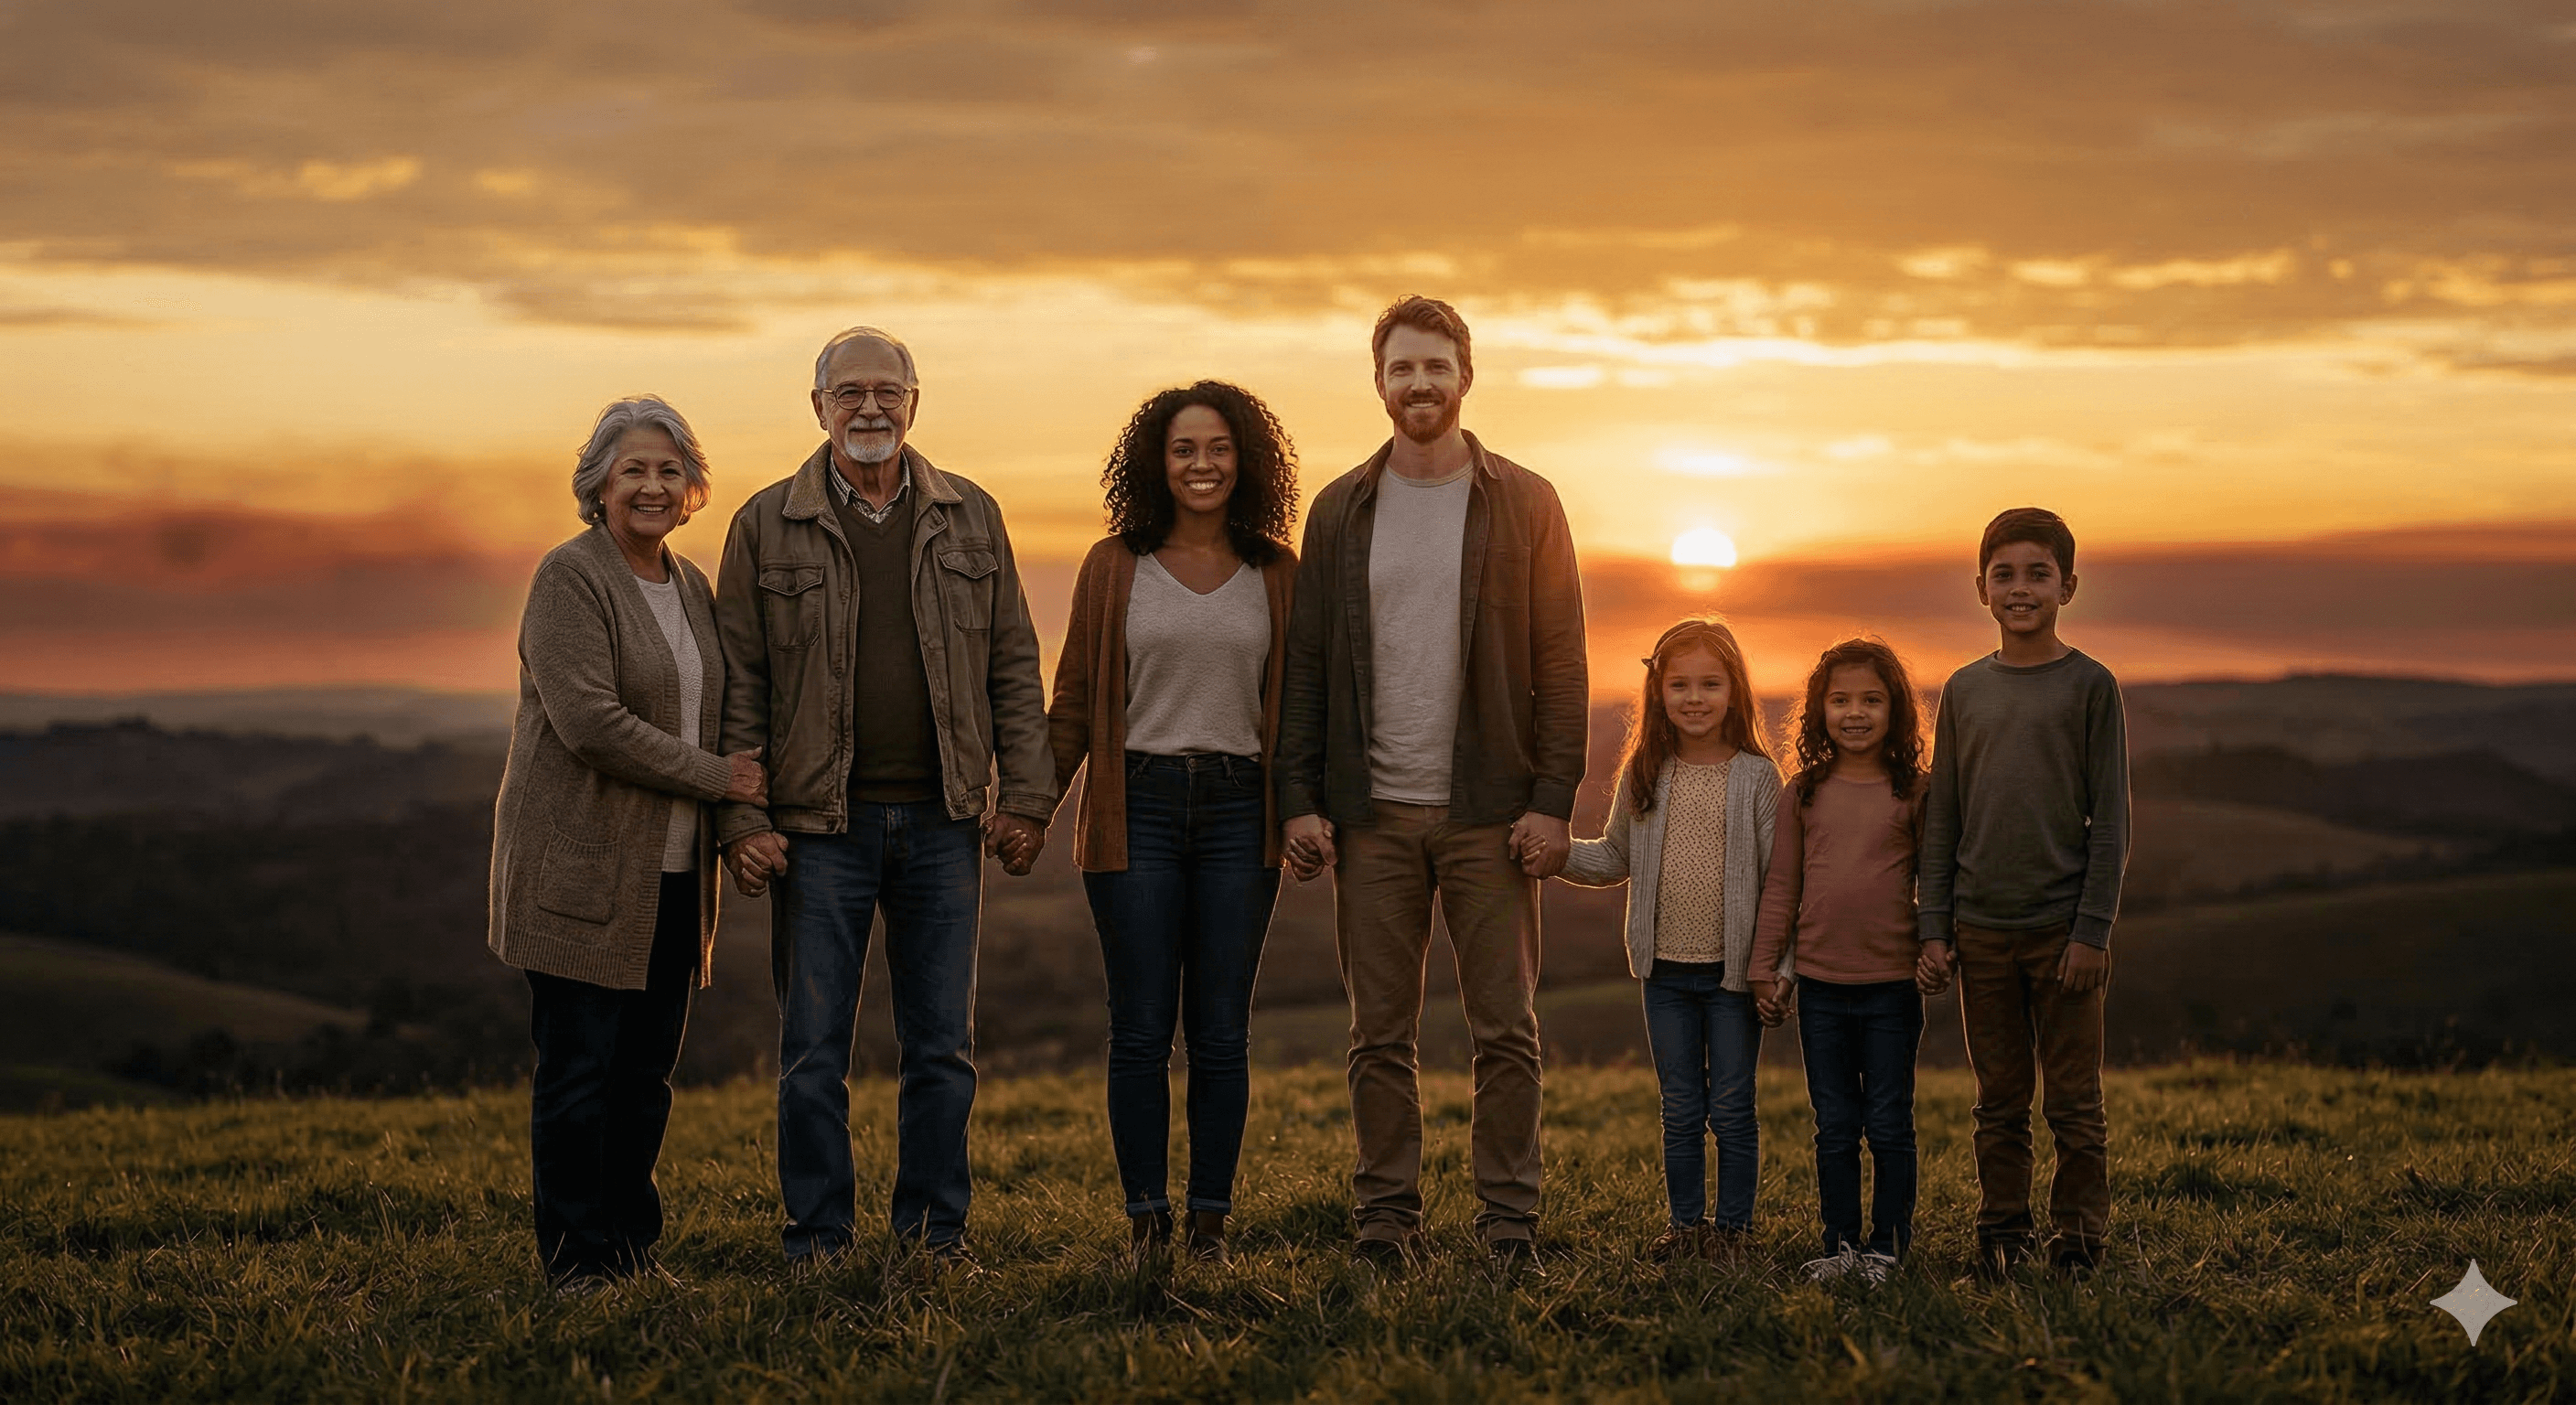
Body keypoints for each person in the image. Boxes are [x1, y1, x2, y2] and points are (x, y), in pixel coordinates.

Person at [713, 327, 1057, 1265]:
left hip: (945, 821)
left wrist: (1025, 798)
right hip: (818, 829)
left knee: (941, 1049)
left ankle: (932, 1237)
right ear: (816, 406)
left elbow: (1013, 668)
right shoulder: (763, 524)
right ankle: (818, 1238)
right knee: (812, 1050)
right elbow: (736, 682)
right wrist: (740, 819)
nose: (869, 408)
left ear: (915, 402)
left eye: (886, 392)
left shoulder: (972, 517)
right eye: (848, 393)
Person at [1275, 295, 1588, 1268]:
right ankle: (1385, 1225)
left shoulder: (1525, 501)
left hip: (1490, 814)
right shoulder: (1337, 508)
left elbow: (1561, 660)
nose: (1418, 384)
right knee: (1378, 1035)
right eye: (1400, 368)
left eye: (1435, 367)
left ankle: (1507, 1227)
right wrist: (1298, 799)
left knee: (1505, 1031)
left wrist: (1550, 799)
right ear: (1378, 381)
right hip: (1369, 817)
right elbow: (1309, 665)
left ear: (1465, 376)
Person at [488, 396, 767, 1292]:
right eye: (632, 470)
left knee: (644, 1081)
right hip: (583, 875)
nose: (652, 485)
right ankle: (576, 1266)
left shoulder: (689, 585)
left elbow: (719, 721)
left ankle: (631, 1255)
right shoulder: (569, 578)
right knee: (579, 1078)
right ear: (597, 487)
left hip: (675, 883)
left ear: (693, 490)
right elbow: (591, 725)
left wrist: (734, 829)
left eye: (668, 471)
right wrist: (720, 781)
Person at [1046, 381, 1300, 1263]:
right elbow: (1074, 700)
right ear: (1157, 461)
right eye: (1185, 449)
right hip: (1137, 809)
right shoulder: (1113, 565)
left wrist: (1306, 814)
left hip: (1241, 812)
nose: (1202, 465)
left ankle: (1209, 1224)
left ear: (1248, 462)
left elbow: (1300, 712)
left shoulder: (1278, 572)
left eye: (1220, 448)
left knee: (1222, 1030)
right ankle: (1147, 1222)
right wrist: (1029, 808)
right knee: (1143, 1029)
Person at [1916, 507, 2131, 1281]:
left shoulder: (2091, 687)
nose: (2020, 588)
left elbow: (2110, 823)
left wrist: (2092, 931)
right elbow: (1942, 820)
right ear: (1980, 588)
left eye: (2038, 573)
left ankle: (2078, 1241)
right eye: (2004, 574)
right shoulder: (1964, 690)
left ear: (2067, 585)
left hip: (2061, 932)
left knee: (2074, 1100)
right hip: (1980, 932)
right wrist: (1933, 927)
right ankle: (2001, 1236)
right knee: (1998, 1100)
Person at [1560, 618, 1781, 1262]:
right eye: (1679, 684)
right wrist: (1554, 854)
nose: (1694, 697)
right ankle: (1686, 1228)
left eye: (1710, 684)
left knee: (1733, 1108)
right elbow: (1611, 859)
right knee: (1681, 1108)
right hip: (1665, 976)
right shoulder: (1644, 772)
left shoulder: (1757, 779)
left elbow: (1780, 886)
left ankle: (1734, 1232)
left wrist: (1777, 967)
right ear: (1657, 692)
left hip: (1733, 977)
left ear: (1734, 691)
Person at [1748, 638, 1930, 1285]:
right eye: (1841, 700)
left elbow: (1934, 882)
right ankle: (1841, 1244)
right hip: (1821, 988)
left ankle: (1889, 1247)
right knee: (1835, 1127)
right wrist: (1764, 969)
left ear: (1897, 711)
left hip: (1891, 989)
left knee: (1887, 1122)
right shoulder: (1805, 792)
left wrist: (1937, 947)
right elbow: (1782, 887)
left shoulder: (1915, 792)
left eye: (1872, 700)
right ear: (1819, 709)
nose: (1856, 713)